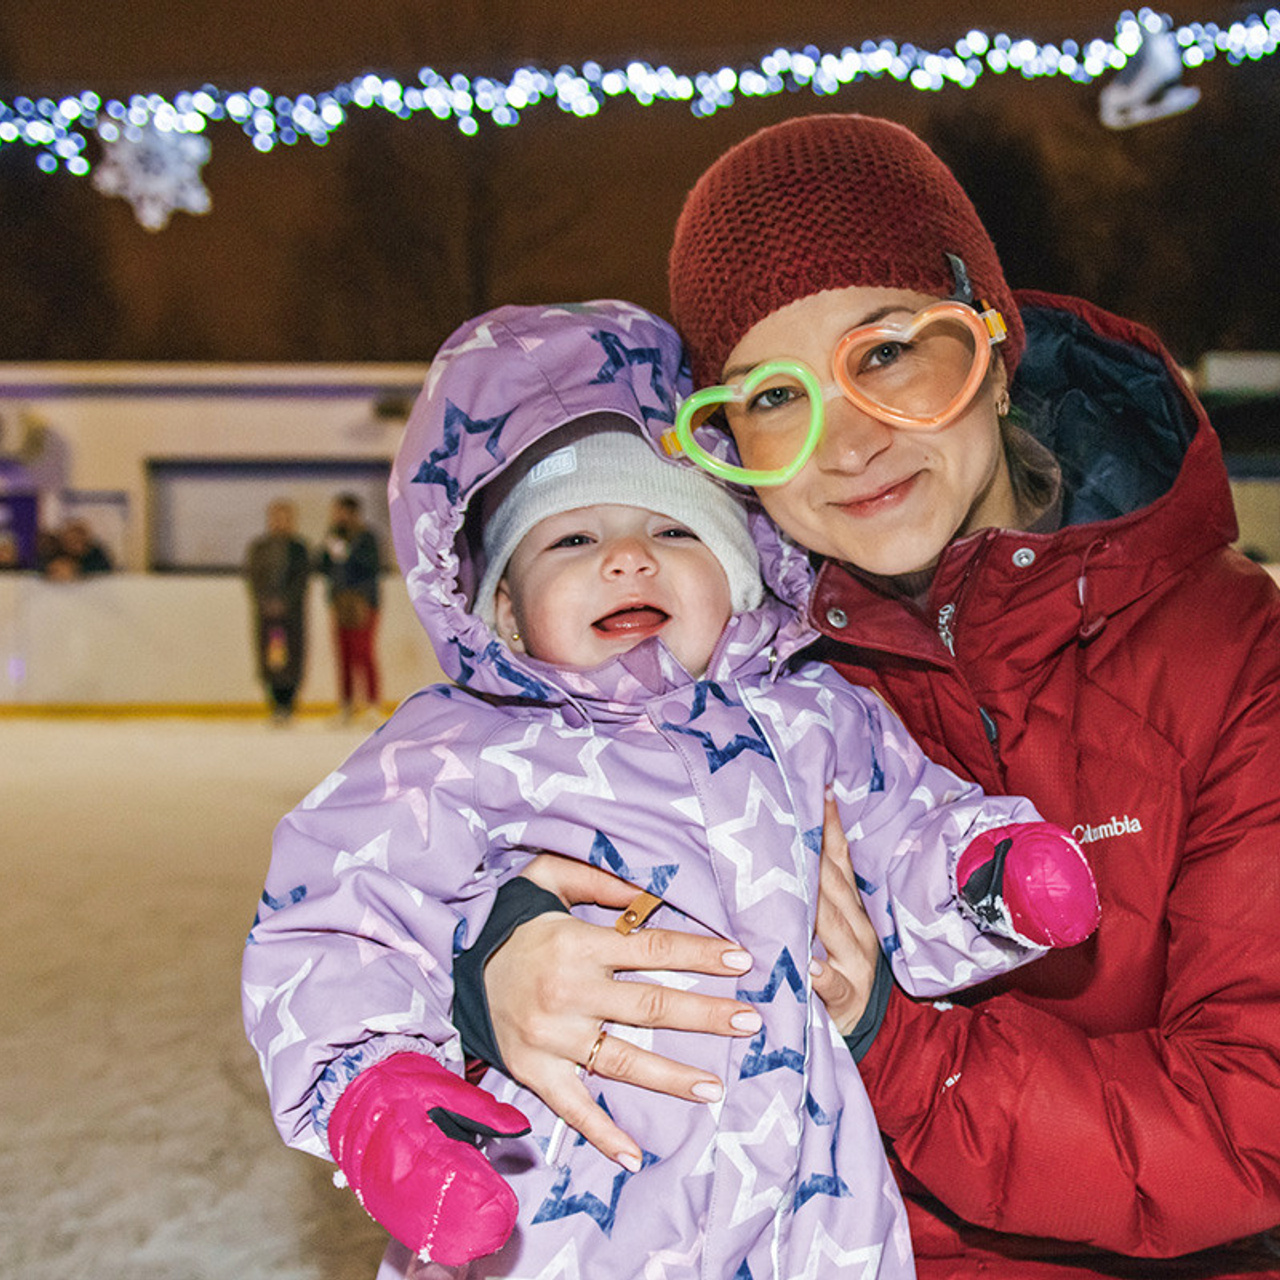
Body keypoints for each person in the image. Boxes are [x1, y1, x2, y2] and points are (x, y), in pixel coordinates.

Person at [461, 115, 1280, 1277]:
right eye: (773, 396)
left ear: (991, 355)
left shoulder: (1238, 655)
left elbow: (1249, 1124)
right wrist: (491, 969)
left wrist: (901, 1048)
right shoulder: (717, 669)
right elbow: (443, 843)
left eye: (887, 351)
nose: (844, 443)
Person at [242, 300, 1099, 1278]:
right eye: (569, 542)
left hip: (806, 1211)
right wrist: (378, 1089)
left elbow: (905, 819)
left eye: (671, 529)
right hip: (565, 1210)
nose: (626, 555)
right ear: (508, 616)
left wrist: (987, 870)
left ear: (738, 579)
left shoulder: (812, 713)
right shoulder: (456, 750)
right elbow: (341, 911)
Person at [316, 492, 382, 721]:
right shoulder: (333, 536)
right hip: (341, 603)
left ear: (352, 512)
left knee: (363, 653)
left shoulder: (367, 538)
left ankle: (372, 704)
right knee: (343, 654)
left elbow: (372, 565)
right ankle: (346, 705)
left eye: (339, 511)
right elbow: (322, 566)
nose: (336, 516)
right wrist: (328, 550)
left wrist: (348, 553)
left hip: (364, 603)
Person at [244, 498, 310, 722]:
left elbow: (301, 580)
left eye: (284, 518)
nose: (279, 522)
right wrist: (266, 602)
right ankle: (274, 703)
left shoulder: (299, 548)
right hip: (268, 617)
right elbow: (253, 578)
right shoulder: (259, 548)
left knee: (292, 657)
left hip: (290, 616)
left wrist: (285, 603)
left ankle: (289, 703)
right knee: (272, 658)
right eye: (275, 517)